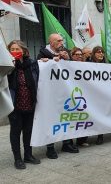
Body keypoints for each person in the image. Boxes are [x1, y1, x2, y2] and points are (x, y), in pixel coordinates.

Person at [37, 34, 79, 158]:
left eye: (62, 40)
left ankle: (66, 143)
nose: (61, 42)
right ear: (51, 42)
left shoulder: (65, 52)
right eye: (58, 40)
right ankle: (50, 147)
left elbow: (72, 70)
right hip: (50, 93)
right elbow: (39, 68)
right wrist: (47, 61)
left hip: (64, 91)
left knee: (65, 117)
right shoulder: (42, 53)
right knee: (51, 118)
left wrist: (67, 59)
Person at [7, 40, 41, 170]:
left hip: (30, 103)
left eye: (17, 49)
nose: (15, 51)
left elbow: (40, 76)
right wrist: (9, 66)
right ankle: (18, 159)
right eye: (12, 49)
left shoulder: (32, 64)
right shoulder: (7, 65)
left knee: (29, 131)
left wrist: (46, 62)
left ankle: (28, 155)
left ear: (24, 50)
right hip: (14, 104)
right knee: (15, 132)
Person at [70, 47, 89, 147]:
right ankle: (69, 142)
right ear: (72, 56)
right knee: (72, 119)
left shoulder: (86, 65)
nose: (79, 56)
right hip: (72, 93)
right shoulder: (67, 64)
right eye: (76, 54)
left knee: (83, 118)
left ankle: (81, 140)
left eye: (81, 54)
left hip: (84, 94)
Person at [91, 46, 107, 145]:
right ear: (94, 53)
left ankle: (100, 136)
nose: (101, 54)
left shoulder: (107, 65)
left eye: (102, 52)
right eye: (98, 52)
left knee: (102, 113)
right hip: (92, 94)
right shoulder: (88, 64)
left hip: (103, 94)